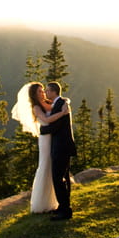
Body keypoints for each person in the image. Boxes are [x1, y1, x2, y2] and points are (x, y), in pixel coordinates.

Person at [11, 81, 69, 213]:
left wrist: (66, 104)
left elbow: (60, 101)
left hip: (53, 138)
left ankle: (55, 201)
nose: (42, 92)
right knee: (45, 166)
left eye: (43, 90)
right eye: (39, 91)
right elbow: (47, 120)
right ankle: (42, 203)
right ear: (34, 95)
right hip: (45, 140)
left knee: (54, 169)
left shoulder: (48, 103)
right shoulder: (36, 107)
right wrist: (62, 113)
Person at [40, 81, 77, 221]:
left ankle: (65, 211)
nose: (46, 93)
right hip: (62, 146)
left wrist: (42, 130)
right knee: (63, 177)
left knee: (58, 178)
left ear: (54, 92)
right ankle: (63, 207)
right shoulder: (61, 102)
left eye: (48, 91)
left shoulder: (61, 104)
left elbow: (55, 126)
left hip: (61, 147)